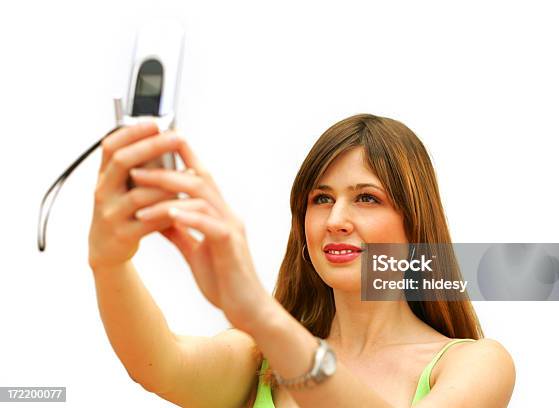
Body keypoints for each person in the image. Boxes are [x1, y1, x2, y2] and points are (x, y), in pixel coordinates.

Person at [88, 114, 515, 407]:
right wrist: (109, 261)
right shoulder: (259, 360)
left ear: (415, 222)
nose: (335, 220)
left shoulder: (475, 365)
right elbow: (158, 362)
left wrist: (259, 312)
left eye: (367, 198)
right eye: (321, 199)